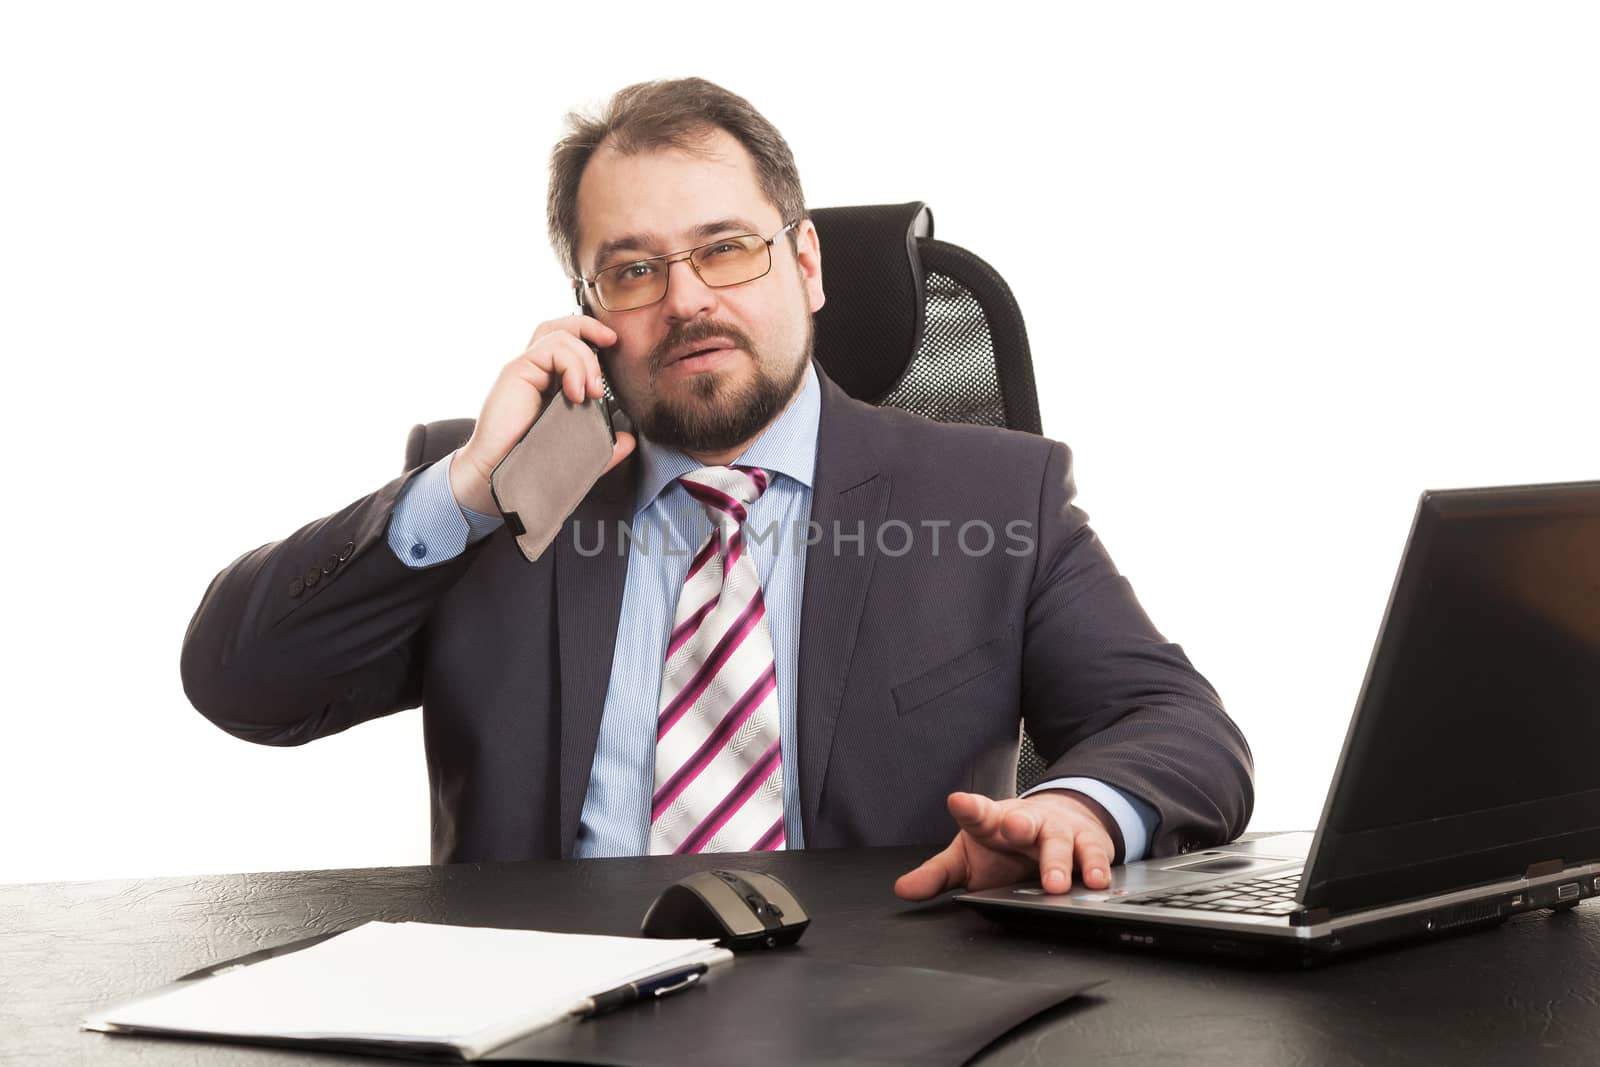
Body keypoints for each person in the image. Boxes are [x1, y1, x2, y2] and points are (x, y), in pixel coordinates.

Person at [181, 77, 1253, 899]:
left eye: (725, 249)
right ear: (589, 303)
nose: (687, 299)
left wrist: (1079, 805)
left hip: (884, 1014)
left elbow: (1175, 723)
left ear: (808, 264)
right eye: (635, 269)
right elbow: (241, 684)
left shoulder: (993, 494)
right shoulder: (506, 492)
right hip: (538, 1017)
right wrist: (463, 492)